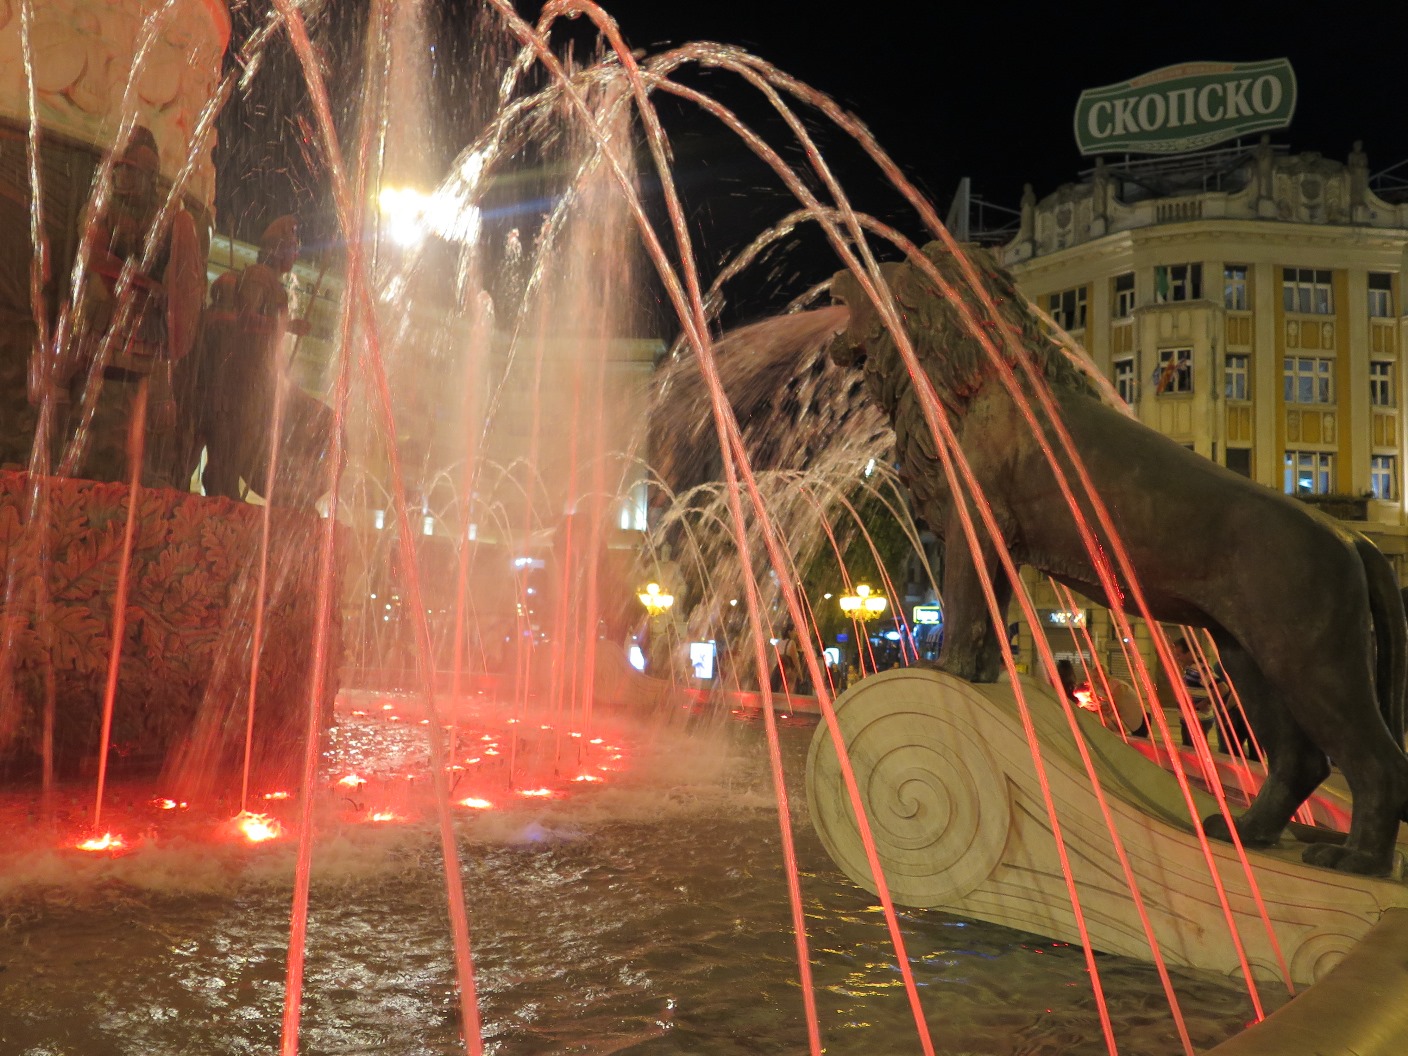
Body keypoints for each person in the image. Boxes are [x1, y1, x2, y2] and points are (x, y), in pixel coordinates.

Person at [1171, 637, 1224, 748]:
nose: (1178, 658)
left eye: (1180, 655)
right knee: (1190, 752)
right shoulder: (1190, 668)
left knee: (1196, 752)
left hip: (1197, 720)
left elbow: (1222, 688)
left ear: (1190, 653)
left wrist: (1206, 702)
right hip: (1190, 720)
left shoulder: (1200, 669)